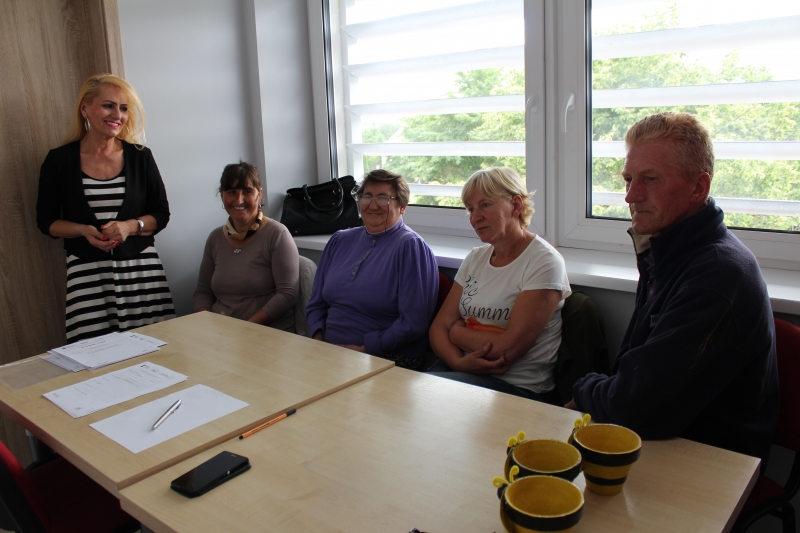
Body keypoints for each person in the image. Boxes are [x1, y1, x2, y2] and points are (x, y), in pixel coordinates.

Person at [567, 112, 779, 465]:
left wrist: (583, 387)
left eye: (650, 179)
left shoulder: (717, 274)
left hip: (710, 461)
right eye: (629, 179)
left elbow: (639, 405)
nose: (631, 196)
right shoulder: (666, 250)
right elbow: (638, 377)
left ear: (699, 187)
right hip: (662, 434)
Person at [36, 74, 174, 342]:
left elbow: (161, 214)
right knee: (94, 357)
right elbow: (46, 221)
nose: (117, 115)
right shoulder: (59, 161)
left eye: (123, 108)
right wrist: (82, 230)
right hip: (87, 278)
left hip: (141, 273)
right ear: (85, 108)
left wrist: (131, 226)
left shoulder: (140, 156)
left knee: (156, 353)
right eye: (108, 105)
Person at [428, 167, 571, 403]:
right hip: (458, 369)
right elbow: (437, 329)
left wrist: (456, 332)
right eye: (471, 209)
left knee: (425, 398)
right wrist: (459, 362)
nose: (475, 218)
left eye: (485, 205)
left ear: (516, 205)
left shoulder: (544, 261)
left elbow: (507, 350)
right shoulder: (475, 258)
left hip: (516, 389)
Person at [305, 169, 438, 370]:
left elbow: (413, 323)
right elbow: (316, 303)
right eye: (367, 196)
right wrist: (319, 340)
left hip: (387, 357)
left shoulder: (411, 247)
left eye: (383, 198)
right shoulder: (339, 240)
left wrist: (365, 348)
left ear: (402, 206)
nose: (373, 205)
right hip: (328, 351)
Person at [193, 161, 299, 331]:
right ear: (222, 194)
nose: (239, 199)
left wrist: (244, 328)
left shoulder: (277, 234)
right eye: (232, 192)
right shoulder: (215, 238)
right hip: (221, 333)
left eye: (247, 191)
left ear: (259, 194)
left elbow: (287, 294)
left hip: (266, 334)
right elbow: (203, 292)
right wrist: (207, 326)